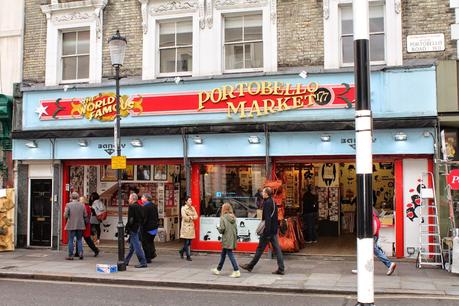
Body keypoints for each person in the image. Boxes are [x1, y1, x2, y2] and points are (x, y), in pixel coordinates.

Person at [240, 187, 285, 275]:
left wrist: (267, 232)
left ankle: (250, 266)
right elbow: (274, 217)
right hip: (273, 230)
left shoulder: (267, 203)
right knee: (277, 249)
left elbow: (267, 219)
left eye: (263, 192)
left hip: (268, 231)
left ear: (266, 194)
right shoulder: (273, 201)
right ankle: (281, 268)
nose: (262, 193)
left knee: (260, 249)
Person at [352, 209, 397, 276]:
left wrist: (367, 237)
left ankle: (389, 264)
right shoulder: (375, 217)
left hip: (370, 237)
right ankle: (363, 268)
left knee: (373, 251)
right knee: (366, 252)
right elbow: (377, 227)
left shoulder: (370, 218)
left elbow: (373, 228)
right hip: (373, 236)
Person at [211, 203, 240, 278]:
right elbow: (236, 229)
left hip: (227, 238)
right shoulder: (233, 217)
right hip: (232, 238)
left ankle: (236, 270)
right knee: (223, 254)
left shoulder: (223, 217)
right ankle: (218, 269)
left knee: (230, 254)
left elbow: (222, 230)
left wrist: (218, 227)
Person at [124, 193, 148, 268]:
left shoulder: (132, 206)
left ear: (132, 199)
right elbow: (144, 218)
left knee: (137, 246)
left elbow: (131, 219)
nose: (128, 200)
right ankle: (126, 261)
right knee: (132, 247)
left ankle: (143, 262)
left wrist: (127, 228)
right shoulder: (140, 206)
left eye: (129, 198)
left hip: (133, 228)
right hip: (139, 227)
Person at [64, 192, 87, 260]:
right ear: (78, 197)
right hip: (80, 225)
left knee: (71, 240)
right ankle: (80, 253)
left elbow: (65, 215)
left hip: (71, 224)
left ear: (71, 197)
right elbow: (85, 215)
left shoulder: (68, 205)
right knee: (79, 240)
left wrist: (68, 217)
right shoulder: (82, 205)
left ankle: (70, 255)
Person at [179, 196, 198, 261]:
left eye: (191, 200)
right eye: (189, 200)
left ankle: (181, 251)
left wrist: (190, 217)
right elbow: (185, 217)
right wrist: (191, 217)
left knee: (189, 242)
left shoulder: (192, 208)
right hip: (186, 227)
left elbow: (196, 216)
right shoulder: (183, 208)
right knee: (186, 242)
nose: (191, 201)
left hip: (191, 227)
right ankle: (188, 256)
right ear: (186, 202)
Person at [142, 193, 159, 263]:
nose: (142, 198)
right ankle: (152, 254)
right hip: (154, 227)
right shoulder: (154, 205)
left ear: (146, 199)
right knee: (150, 241)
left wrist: (142, 226)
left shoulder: (145, 207)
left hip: (148, 228)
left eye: (143, 197)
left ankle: (148, 258)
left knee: (145, 243)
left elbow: (144, 218)